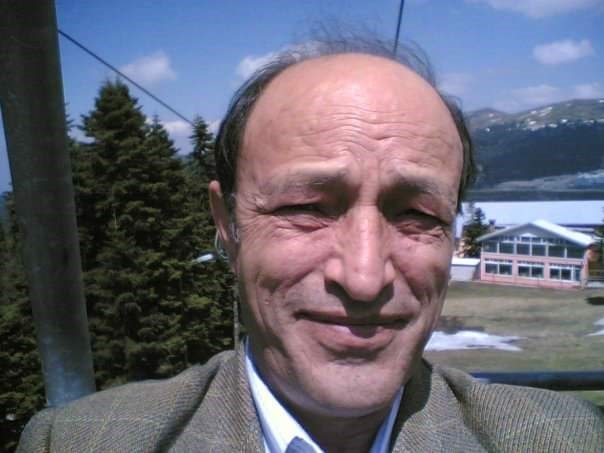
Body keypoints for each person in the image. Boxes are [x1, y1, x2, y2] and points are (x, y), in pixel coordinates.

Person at [18, 37, 604, 453]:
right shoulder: (75, 443)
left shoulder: (570, 439)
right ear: (227, 226)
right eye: (305, 208)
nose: (365, 277)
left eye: (418, 214)